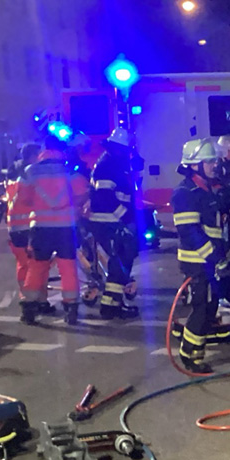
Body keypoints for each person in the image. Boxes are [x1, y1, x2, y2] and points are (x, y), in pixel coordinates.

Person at [171, 139, 230, 374]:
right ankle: (190, 354)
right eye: (210, 161)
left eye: (215, 160)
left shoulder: (220, 190)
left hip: (225, 260)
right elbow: (190, 233)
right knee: (205, 308)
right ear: (194, 165)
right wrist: (216, 260)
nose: (215, 164)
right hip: (200, 263)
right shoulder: (184, 194)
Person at [17, 136, 89, 325]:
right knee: (67, 267)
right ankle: (71, 309)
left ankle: (29, 310)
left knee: (37, 267)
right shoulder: (69, 171)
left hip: (40, 228)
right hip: (66, 228)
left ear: (43, 149)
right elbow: (82, 194)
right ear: (61, 150)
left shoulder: (30, 171)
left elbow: (23, 199)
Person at [87, 127, 139, 319]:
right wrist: (125, 217)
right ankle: (110, 307)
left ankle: (114, 304)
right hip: (109, 223)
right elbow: (104, 197)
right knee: (120, 261)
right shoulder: (107, 166)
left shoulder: (112, 164)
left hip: (112, 223)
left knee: (121, 262)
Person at [0, 143, 51, 312]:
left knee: (23, 265)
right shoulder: (32, 173)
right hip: (30, 225)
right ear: (33, 156)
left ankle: (26, 297)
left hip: (14, 227)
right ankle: (39, 302)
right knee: (38, 265)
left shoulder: (13, 173)